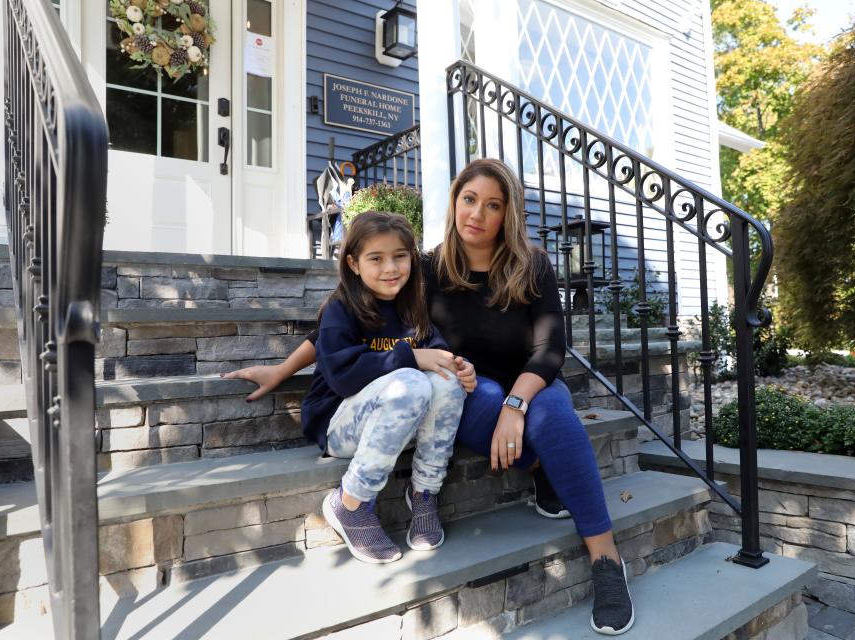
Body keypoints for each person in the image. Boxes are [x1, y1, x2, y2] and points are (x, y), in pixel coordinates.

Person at [423, 158, 634, 635]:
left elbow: (550, 348)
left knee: (554, 414)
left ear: (507, 214)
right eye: (469, 199)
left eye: (492, 205)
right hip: (471, 388)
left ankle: (606, 558)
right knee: (474, 400)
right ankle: (542, 468)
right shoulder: (429, 268)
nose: (476, 213)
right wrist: (286, 366)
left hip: (531, 382)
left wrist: (516, 407)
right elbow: (359, 312)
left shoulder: (531, 264)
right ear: (455, 201)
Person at [244, 211, 472, 564]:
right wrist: (411, 357)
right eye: (375, 259)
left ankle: (425, 493)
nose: (390, 268)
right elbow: (343, 376)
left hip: (396, 421)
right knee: (411, 380)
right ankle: (351, 503)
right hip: (340, 423)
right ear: (353, 263)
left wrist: (458, 367)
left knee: (447, 380)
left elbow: (437, 354)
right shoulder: (340, 310)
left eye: (400, 256)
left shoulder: (413, 308)